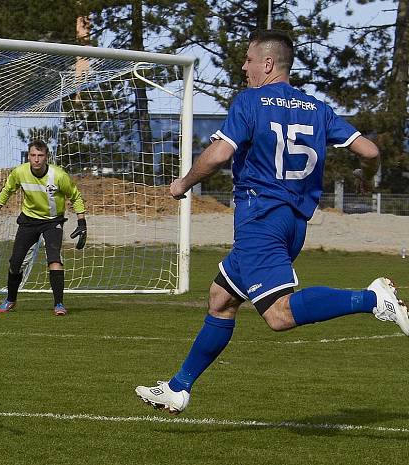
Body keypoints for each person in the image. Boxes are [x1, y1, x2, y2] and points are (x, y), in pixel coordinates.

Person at [134, 30, 408, 414]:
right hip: (293, 223)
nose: (243, 67)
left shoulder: (250, 102)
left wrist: (182, 184)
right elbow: (370, 150)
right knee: (221, 300)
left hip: (261, 218)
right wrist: (366, 175)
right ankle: (179, 387)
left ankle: (373, 298)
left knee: (279, 316)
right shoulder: (317, 109)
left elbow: (216, 156)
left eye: (248, 60)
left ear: (267, 64)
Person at [0, 140, 87, 316]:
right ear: (28, 156)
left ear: (47, 157)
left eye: (40, 155)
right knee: (15, 263)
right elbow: (7, 190)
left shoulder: (59, 176)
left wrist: (82, 222)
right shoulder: (20, 172)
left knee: (54, 259)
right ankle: (10, 300)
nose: (36, 159)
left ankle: (59, 304)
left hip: (52, 222)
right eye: (33, 155)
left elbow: (75, 197)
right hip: (28, 221)